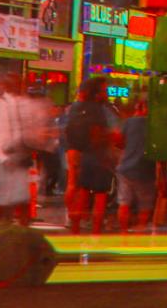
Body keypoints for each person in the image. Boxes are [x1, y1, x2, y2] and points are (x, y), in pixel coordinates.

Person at [62, 76, 120, 233]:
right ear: (97, 93)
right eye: (104, 90)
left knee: (82, 191)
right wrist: (109, 138)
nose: (106, 93)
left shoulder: (76, 108)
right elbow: (97, 133)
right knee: (100, 195)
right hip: (99, 155)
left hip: (83, 154)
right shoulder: (98, 109)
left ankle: (74, 228)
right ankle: (95, 232)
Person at [0, 75, 35, 225]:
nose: (20, 86)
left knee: (21, 194)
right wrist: (2, 158)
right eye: (16, 83)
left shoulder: (24, 104)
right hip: (3, 157)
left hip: (19, 156)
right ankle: (2, 225)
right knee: (3, 195)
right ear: (7, 86)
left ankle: (20, 228)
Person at [114, 96, 158, 231]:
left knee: (124, 203)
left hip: (125, 168)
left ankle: (123, 233)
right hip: (146, 170)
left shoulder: (129, 122)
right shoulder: (155, 125)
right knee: (145, 205)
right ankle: (140, 232)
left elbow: (119, 141)